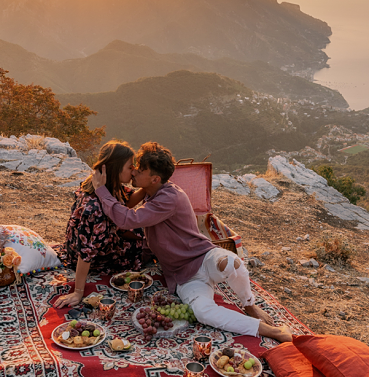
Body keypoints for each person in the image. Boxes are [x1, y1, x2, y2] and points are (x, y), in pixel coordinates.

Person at [91, 141, 292, 342]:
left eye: (139, 170)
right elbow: (132, 210)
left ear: (155, 178)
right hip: (183, 277)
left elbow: (127, 219)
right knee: (203, 313)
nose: (133, 172)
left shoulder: (169, 197)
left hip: (204, 257)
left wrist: (101, 190)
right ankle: (269, 331)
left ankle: (249, 305)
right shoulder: (154, 190)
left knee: (231, 262)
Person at [54, 140, 147, 309]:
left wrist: (148, 184)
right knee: (141, 239)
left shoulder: (102, 185)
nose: (133, 170)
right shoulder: (94, 208)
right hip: (93, 257)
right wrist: (78, 291)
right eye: (129, 167)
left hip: (91, 244)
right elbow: (87, 252)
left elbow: (127, 202)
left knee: (138, 229)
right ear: (114, 168)